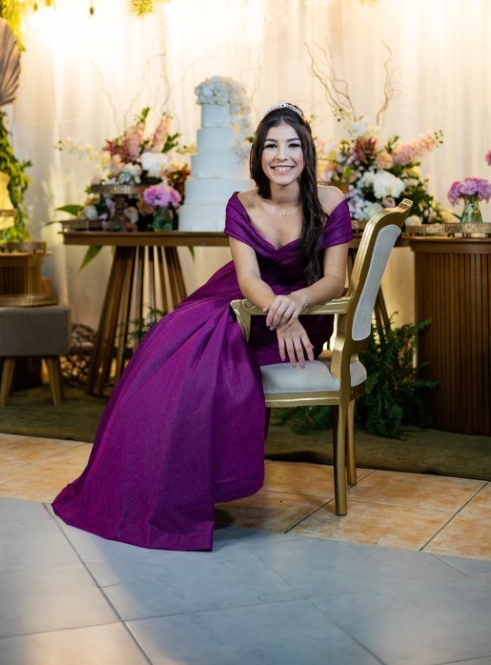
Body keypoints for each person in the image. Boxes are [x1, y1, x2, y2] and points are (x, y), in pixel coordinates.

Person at [52, 102, 353, 552]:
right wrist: (277, 309)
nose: (282, 156)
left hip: (306, 307)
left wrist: (295, 306)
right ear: (258, 155)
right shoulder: (241, 204)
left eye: (292, 145)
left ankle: (205, 480)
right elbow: (248, 278)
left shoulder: (331, 202)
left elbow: (335, 279)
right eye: (271, 146)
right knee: (177, 342)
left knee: (214, 351)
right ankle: (156, 486)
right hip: (246, 298)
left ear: (306, 152)